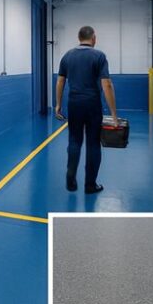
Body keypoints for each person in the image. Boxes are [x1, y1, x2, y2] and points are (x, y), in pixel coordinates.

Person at [55, 26, 118, 194]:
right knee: (93, 144)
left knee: (74, 141)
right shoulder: (99, 56)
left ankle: (70, 179)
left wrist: (58, 104)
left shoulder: (67, 56)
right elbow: (107, 84)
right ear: (94, 38)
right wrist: (113, 114)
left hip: (74, 103)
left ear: (79, 37)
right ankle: (90, 185)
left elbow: (60, 81)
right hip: (92, 104)